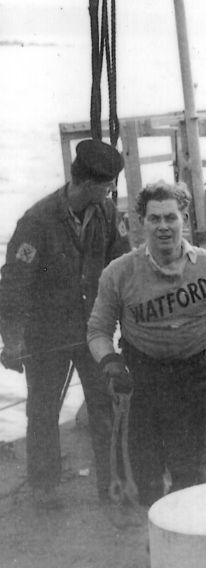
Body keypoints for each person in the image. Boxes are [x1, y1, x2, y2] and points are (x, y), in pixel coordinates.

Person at [86, 181, 206, 506]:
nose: (163, 226)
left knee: (189, 476)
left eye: (170, 217)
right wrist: (111, 365)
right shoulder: (118, 273)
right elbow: (97, 331)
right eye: (154, 219)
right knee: (145, 477)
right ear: (141, 222)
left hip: (191, 380)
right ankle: (152, 529)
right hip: (141, 381)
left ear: (185, 219)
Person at [0, 139, 128, 509]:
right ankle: (44, 488)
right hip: (47, 337)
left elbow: (122, 264)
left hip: (93, 332)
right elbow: (13, 285)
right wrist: (13, 341)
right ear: (87, 184)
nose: (110, 191)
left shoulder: (107, 214)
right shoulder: (36, 221)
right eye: (107, 185)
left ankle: (113, 485)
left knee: (105, 407)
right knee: (42, 411)